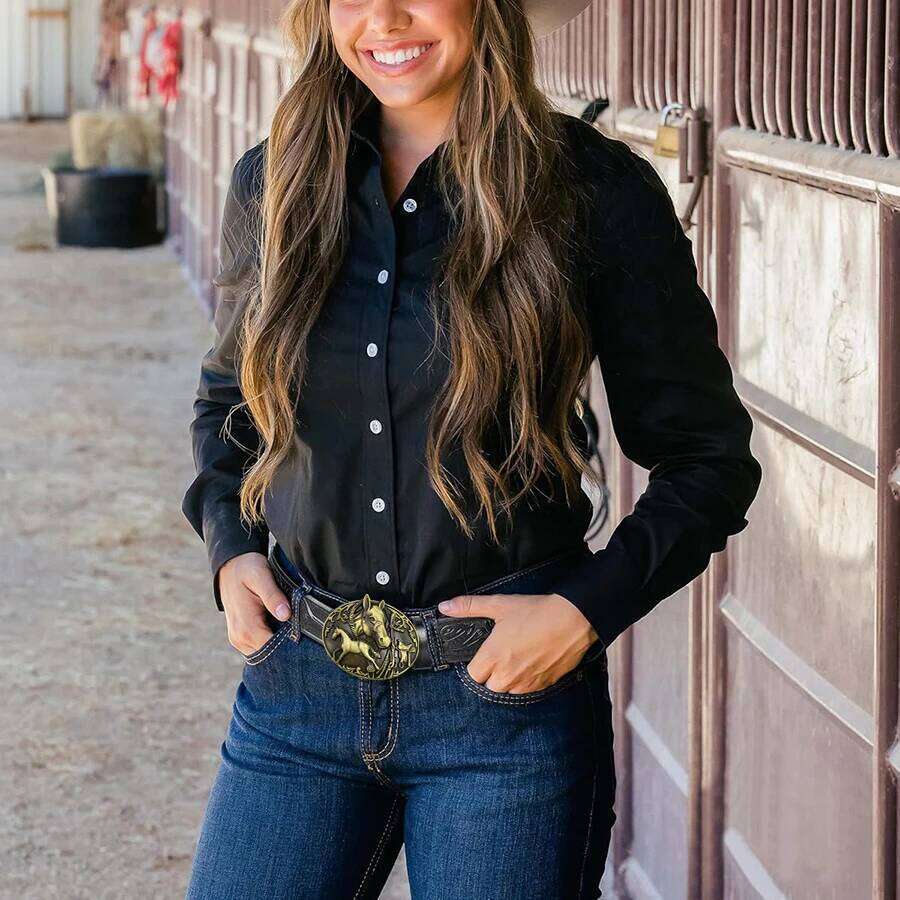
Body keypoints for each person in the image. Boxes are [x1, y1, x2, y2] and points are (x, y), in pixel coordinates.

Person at [180, 0, 762, 895]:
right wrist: (230, 549)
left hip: (504, 709)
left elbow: (708, 459)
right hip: (298, 689)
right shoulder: (274, 181)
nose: (384, 19)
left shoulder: (590, 189)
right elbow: (231, 403)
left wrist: (583, 611)